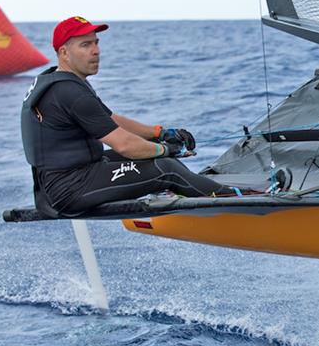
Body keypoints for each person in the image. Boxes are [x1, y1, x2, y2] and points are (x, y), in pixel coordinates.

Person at [21, 16, 289, 217]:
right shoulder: (70, 92)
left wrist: (159, 133)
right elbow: (124, 145)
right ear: (64, 53)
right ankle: (241, 199)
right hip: (69, 190)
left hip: (63, 181)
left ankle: (194, 188)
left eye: (96, 43)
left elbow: (110, 119)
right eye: (85, 45)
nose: (96, 50)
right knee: (165, 167)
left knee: (160, 160)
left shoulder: (59, 82)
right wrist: (163, 149)